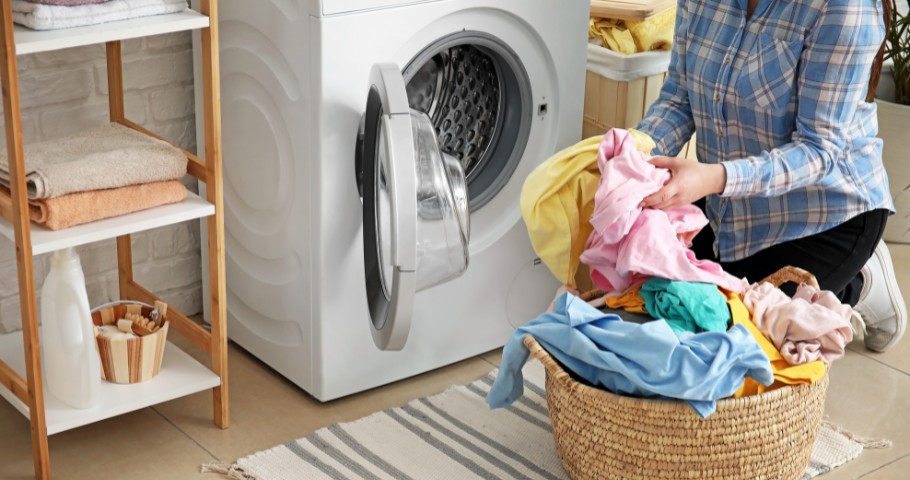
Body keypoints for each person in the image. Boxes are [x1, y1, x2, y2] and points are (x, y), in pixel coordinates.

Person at [634, 0, 906, 351]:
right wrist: (632, 155)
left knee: (735, 343)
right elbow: (679, 99)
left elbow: (818, 149)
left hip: (823, 216)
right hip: (725, 203)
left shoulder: (843, 7)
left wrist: (717, 178)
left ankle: (860, 283)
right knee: (662, 308)